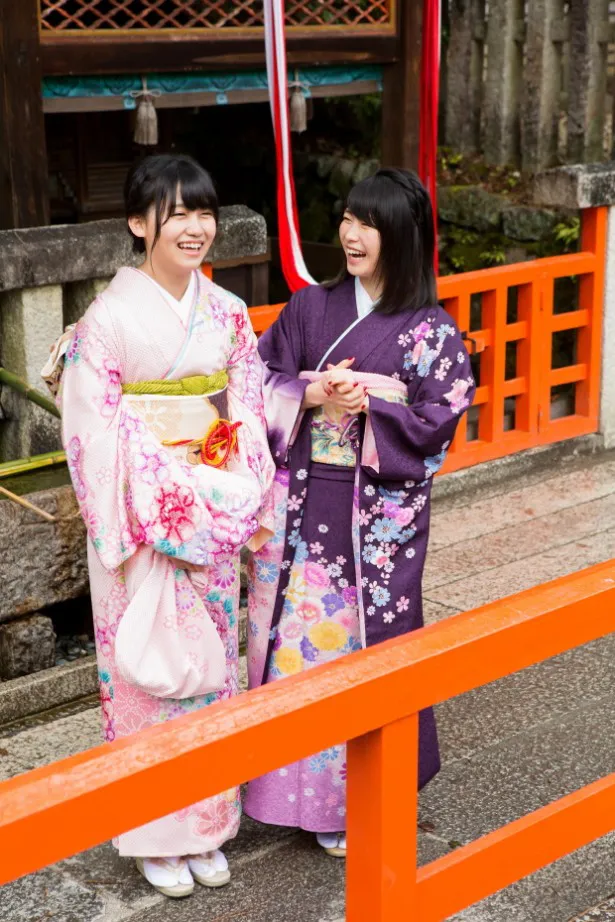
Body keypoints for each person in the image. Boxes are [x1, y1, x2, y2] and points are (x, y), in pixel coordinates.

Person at [50, 154, 274, 897]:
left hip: (204, 510)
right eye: (177, 213)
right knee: (146, 675)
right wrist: (161, 495)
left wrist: (226, 485)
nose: (196, 227)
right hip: (142, 521)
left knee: (209, 674)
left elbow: (243, 400)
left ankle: (207, 822)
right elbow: (90, 428)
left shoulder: (227, 313)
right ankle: (152, 830)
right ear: (139, 223)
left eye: (204, 213)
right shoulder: (106, 321)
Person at [244, 168, 475, 857]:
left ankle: (355, 798)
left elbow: (442, 412)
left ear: (402, 236)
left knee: (359, 647)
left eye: (367, 223)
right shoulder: (311, 306)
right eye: (346, 218)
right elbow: (257, 380)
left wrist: (372, 404)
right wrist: (311, 397)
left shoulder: (429, 330)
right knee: (294, 645)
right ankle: (281, 792)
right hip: (303, 505)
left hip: (372, 513)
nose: (350, 233)